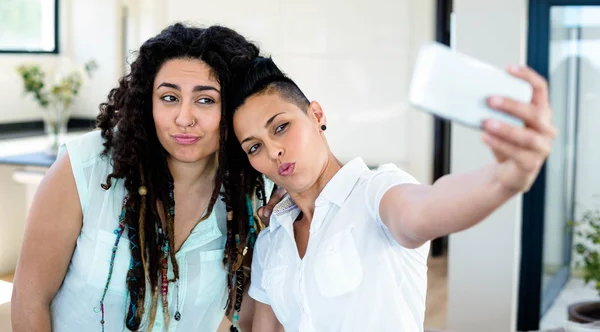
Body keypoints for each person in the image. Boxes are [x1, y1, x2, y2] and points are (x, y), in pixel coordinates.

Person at [226, 56, 557, 331]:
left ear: (316, 115)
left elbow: (420, 210)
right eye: (254, 146)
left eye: (280, 127)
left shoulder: (375, 192)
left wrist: (504, 179)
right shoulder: (273, 240)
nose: (273, 151)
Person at [11, 23, 283, 332]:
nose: (184, 118)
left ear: (235, 106)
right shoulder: (83, 167)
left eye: (206, 100)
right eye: (169, 98)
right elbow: (29, 298)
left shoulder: (254, 189)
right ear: (147, 103)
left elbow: (245, 309)